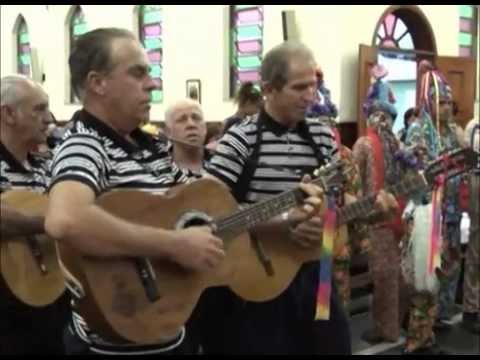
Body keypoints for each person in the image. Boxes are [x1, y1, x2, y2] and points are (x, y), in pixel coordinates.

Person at [44, 28, 323, 356]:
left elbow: (215, 216)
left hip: (169, 328)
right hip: (116, 340)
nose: (152, 83)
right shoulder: (85, 144)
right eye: (138, 73)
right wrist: (174, 244)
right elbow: (66, 220)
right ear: (98, 83)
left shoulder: (149, 147)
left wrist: (286, 218)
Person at [199, 41, 399, 355]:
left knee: (333, 346)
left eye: (314, 85)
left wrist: (370, 209)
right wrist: (280, 223)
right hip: (258, 278)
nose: (311, 95)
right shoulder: (242, 138)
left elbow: (335, 202)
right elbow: (207, 211)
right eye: (300, 87)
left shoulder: (322, 136)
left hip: (316, 273)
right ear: (269, 89)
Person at [0, 74, 70, 354]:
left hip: (50, 292)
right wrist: (52, 223)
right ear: (8, 114)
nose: (49, 119)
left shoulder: (48, 166)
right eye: (39, 109)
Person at [401, 59, 463, 355]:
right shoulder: (417, 131)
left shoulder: (451, 132)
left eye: (450, 103)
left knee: (439, 275)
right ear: (429, 101)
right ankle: (416, 340)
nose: (447, 108)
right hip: (425, 214)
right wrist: (431, 180)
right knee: (422, 280)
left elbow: (458, 169)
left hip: (447, 214)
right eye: (442, 102)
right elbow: (411, 176)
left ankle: (427, 331)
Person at [353, 76, 413, 344]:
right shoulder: (385, 145)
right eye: (380, 115)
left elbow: (354, 184)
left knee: (389, 277)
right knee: (392, 275)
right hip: (386, 217)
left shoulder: (378, 145)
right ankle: (393, 326)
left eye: (382, 115)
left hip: (385, 217)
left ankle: (386, 328)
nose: (382, 120)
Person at [461, 117, 480, 334]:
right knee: (476, 252)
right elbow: (468, 165)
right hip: (477, 184)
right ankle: (471, 308)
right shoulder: (474, 127)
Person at [164, 99, 208, 176]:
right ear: (168, 132)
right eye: (182, 120)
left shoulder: (224, 164)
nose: (191, 124)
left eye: (196, 118)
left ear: (205, 128)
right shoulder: (155, 170)